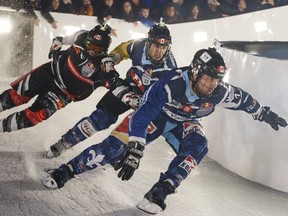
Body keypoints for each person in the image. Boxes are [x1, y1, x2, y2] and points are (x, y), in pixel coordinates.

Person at [41, 48, 287, 214]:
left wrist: (264, 113)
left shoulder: (220, 91)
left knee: (198, 146)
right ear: (196, 72)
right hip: (156, 117)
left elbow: (243, 100)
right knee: (113, 149)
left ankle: (160, 191)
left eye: (216, 80)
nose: (212, 85)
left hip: (182, 123)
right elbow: (142, 114)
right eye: (208, 79)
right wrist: (135, 149)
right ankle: (65, 172)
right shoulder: (171, 84)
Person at [46, 19, 177, 158]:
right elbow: (122, 50)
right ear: (149, 42)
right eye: (156, 46)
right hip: (126, 87)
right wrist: (112, 59)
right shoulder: (139, 45)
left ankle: (110, 158)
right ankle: (65, 143)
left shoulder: (170, 70)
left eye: (163, 47)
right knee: (99, 118)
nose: (159, 51)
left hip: (145, 101)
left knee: (125, 136)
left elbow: (165, 98)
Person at [0, 24, 119, 133]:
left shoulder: (106, 66)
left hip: (64, 94)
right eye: (89, 44)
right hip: (49, 72)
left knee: (33, 117)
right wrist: (56, 45)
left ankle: (1, 127)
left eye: (97, 49)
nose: (91, 50)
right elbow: (60, 39)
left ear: (105, 49)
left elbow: (118, 85)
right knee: (15, 96)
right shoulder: (81, 35)